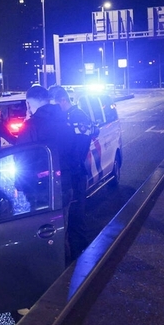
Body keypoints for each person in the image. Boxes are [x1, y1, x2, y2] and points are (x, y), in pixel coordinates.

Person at [49, 85, 96, 256]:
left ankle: (82, 258)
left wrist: (70, 167)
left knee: (76, 219)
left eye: (54, 104)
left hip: (75, 175)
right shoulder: (69, 117)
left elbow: (79, 149)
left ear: (62, 100)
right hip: (71, 173)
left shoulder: (77, 117)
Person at [15, 84, 77, 207]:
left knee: (43, 224)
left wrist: (19, 184)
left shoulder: (30, 127)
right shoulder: (65, 120)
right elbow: (73, 151)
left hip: (40, 188)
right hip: (65, 182)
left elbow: (22, 158)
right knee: (63, 222)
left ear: (28, 104)